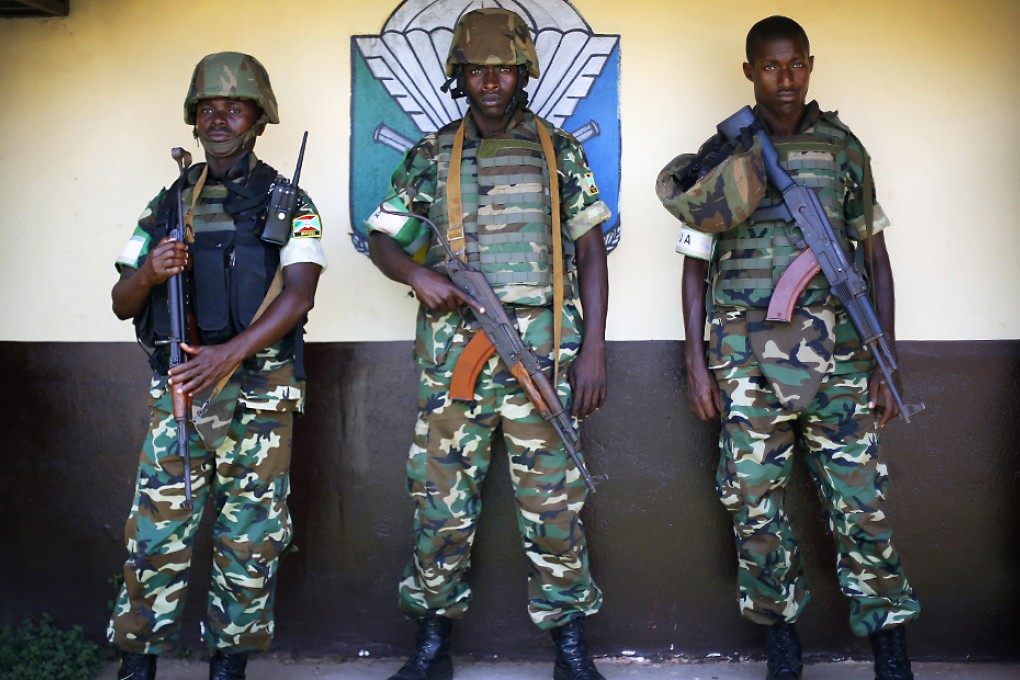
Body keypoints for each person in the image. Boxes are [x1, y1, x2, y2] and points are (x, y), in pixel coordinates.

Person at [657, 15, 920, 680]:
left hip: (839, 355)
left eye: (796, 63)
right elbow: (693, 265)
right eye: (771, 66)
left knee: (860, 502)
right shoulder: (722, 155)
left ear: (810, 65)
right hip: (743, 358)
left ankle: (888, 639)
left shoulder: (841, 148)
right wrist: (695, 361)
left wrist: (885, 363)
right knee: (752, 500)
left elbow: (875, 258)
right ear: (750, 71)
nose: (786, 78)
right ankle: (781, 636)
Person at [365, 8, 610, 680]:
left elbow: (591, 249)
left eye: (504, 68)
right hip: (454, 357)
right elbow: (382, 237)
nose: (492, 81)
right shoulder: (431, 155)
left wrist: (593, 348)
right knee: (440, 504)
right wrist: (417, 276)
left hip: (543, 357)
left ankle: (570, 646)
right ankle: (432, 644)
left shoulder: (559, 151)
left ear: (524, 72)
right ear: (460, 76)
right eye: (478, 69)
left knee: (554, 506)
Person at [106, 52, 326, 680]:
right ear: (194, 119)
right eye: (207, 108)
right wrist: (149, 274)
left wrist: (229, 355)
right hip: (182, 390)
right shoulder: (166, 205)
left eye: (234, 108)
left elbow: (299, 295)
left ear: (259, 119)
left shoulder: (290, 201)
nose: (219, 119)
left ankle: (229, 666)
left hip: (260, 395)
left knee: (250, 539)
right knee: (156, 535)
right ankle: (137, 662)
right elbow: (122, 302)